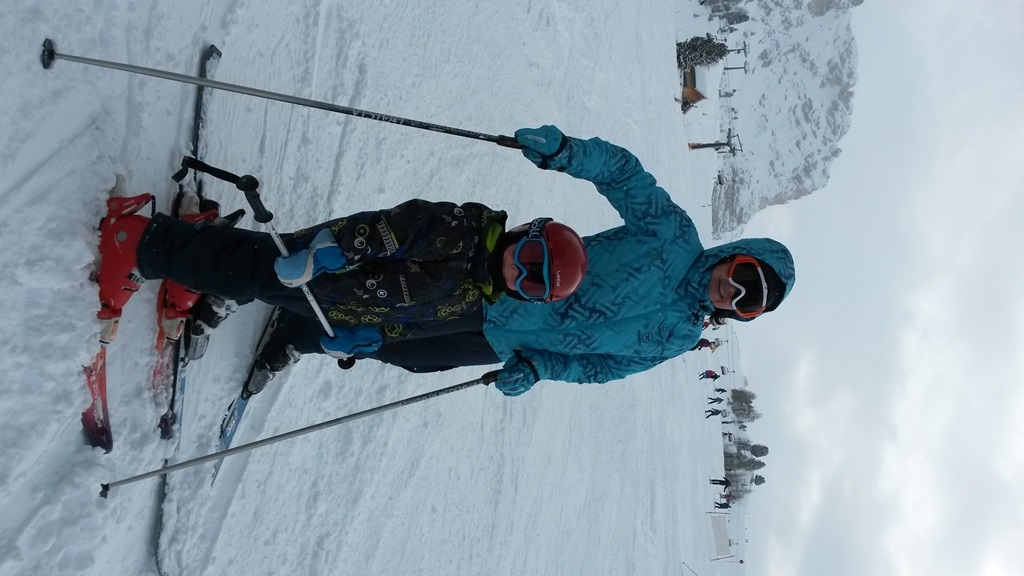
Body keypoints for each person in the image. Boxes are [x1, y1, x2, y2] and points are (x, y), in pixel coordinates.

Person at [351, 125, 796, 395]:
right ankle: (322, 269)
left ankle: (319, 334)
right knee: (375, 297)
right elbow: (623, 175)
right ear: (736, 256)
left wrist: (541, 367)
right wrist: (569, 153)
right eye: (743, 276)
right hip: (500, 286)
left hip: (499, 346)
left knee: (396, 350)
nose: (731, 291)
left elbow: (602, 368)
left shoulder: (678, 338)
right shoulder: (673, 236)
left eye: (746, 302)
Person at [95, 192, 588, 394]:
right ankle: (137, 241)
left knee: (248, 275)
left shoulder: (476, 297)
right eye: (529, 256)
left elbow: (412, 322)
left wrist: (370, 338)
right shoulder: (462, 230)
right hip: (328, 261)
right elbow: (393, 227)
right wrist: (332, 249)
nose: (517, 270)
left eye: (531, 281)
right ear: (524, 230)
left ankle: (192, 249)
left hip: (333, 303)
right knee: (249, 268)